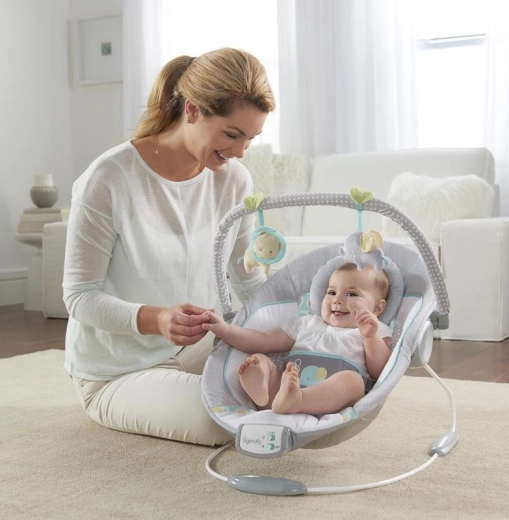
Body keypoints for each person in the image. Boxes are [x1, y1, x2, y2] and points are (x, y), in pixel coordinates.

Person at [62, 48, 275, 446]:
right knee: (221, 418)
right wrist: (159, 319)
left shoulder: (234, 180)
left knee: (306, 373)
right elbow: (80, 296)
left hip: (203, 348)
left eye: (251, 138)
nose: (240, 152)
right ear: (192, 109)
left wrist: (292, 325)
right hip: (118, 371)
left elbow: (247, 279)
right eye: (232, 135)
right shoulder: (108, 178)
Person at [202, 263, 393, 416]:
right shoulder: (306, 323)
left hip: (335, 399)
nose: (337, 300)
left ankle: (298, 400)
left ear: (377, 308)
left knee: (353, 381)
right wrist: (225, 330)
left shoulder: (372, 330)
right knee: (260, 359)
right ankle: (263, 394)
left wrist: (370, 337)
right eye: (331, 292)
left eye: (351, 294)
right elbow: (263, 339)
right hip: (285, 391)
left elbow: (381, 371)